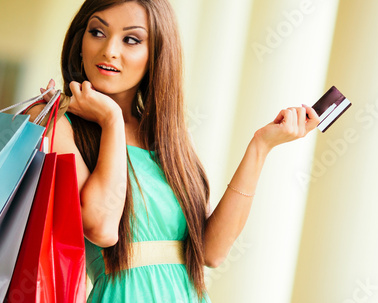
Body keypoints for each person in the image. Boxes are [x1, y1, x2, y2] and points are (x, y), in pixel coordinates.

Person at [27, 0, 320, 302]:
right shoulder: (56, 122)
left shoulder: (169, 136)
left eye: (131, 39)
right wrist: (111, 121)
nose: (109, 50)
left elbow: (212, 252)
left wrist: (261, 146)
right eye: (98, 32)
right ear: (80, 40)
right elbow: (102, 229)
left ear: (156, 54)